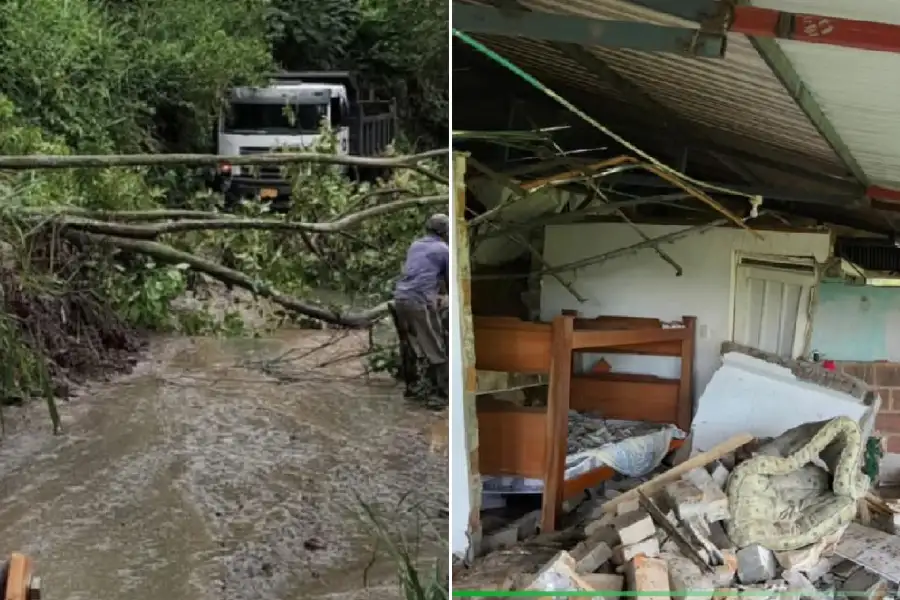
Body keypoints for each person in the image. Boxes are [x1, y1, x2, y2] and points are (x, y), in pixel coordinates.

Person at [391, 213, 449, 405]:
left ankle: (412, 387)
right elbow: (450, 283)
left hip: (400, 298)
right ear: (445, 232)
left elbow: (422, 272)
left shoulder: (415, 245)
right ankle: (440, 395)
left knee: (410, 343)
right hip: (418, 301)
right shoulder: (443, 250)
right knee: (435, 346)